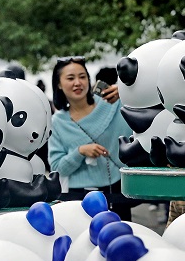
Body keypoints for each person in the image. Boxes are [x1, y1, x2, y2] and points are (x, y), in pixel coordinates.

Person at [48, 56, 136, 220]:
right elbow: (57, 168)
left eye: (82, 77)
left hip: (116, 192)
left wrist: (127, 92)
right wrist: (80, 151)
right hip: (77, 199)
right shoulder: (58, 121)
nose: (77, 83)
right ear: (59, 84)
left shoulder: (113, 103)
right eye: (70, 78)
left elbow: (145, 112)